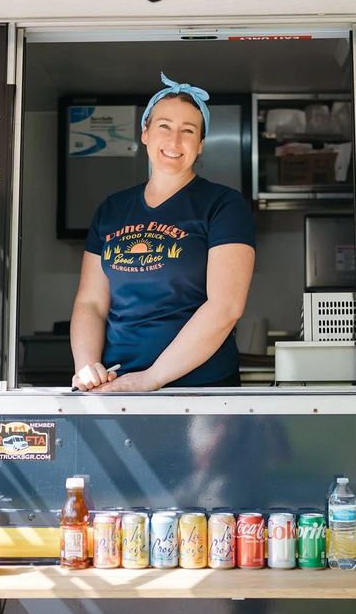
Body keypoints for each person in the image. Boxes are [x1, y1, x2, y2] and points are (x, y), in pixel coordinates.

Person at [70, 73, 256, 392]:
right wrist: (87, 366)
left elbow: (226, 307)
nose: (174, 141)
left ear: (200, 144)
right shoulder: (112, 210)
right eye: (164, 126)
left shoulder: (224, 205)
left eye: (188, 131)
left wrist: (151, 378)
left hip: (199, 389)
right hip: (117, 384)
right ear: (145, 133)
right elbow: (91, 303)